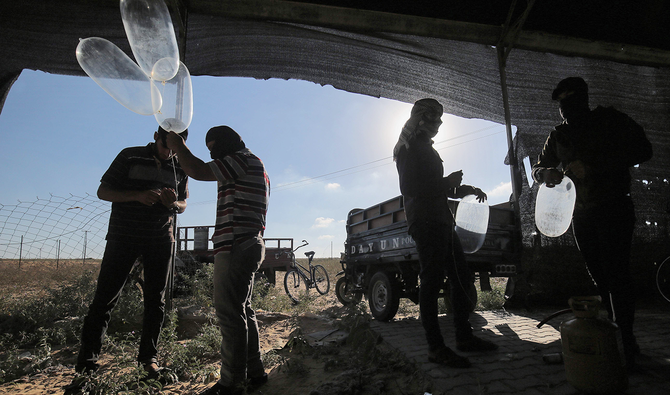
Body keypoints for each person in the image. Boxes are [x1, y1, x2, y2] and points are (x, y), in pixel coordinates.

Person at [532, 77, 653, 367]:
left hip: (614, 208)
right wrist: (545, 174)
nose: (564, 108)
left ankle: (628, 344)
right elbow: (537, 168)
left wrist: (595, 165)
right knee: (601, 278)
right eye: (560, 103)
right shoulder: (558, 134)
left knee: (617, 275)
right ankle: (615, 337)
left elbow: (643, 150)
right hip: (581, 215)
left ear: (583, 98)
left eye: (569, 100)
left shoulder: (611, 120)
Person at [72, 127, 189, 378]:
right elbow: (103, 191)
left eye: (175, 147)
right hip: (123, 236)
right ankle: (86, 365)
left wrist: (173, 205)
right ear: (157, 136)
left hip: (160, 239)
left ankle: (149, 360)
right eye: (166, 145)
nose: (169, 152)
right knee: (105, 299)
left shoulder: (181, 165)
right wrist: (137, 195)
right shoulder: (130, 156)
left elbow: (183, 204)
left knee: (155, 301)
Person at [394, 98, 498, 368]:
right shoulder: (408, 147)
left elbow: (436, 188)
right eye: (432, 119)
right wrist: (446, 182)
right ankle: (435, 348)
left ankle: (464, 337)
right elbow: (410, 188)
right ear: (420, 118)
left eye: (440, 120)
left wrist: (465, 189)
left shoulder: (427, 147)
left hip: (442, 221)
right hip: (425, 223)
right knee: (431, 281)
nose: (437, 124)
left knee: (461, 276)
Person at [166, 126, 270, 395]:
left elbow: (199, 171)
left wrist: (177, 146)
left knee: (229, 313)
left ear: (228, 144)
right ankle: (254, 373)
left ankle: (232, 383)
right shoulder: (252, 162)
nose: (212, 152)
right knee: (243, 310)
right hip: (247, 242)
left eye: (214, 147)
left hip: (236, 243)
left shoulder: (241, 160)